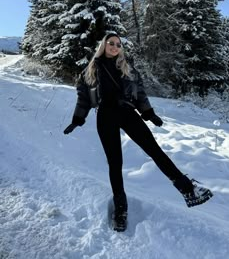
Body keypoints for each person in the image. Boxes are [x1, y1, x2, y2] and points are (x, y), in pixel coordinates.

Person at [64, 33, 213, 232]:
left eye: (118, 44)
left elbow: (140, 92)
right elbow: (83, 98)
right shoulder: (90, 69)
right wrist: (77, 119)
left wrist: (149, 113)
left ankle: (188, 189)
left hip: (127, 112)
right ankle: (120, 209)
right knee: (115, 162)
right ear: (104, 45)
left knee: (154, 150)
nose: (115, 47)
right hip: (105, 116)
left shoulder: (127, 67)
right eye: (111, 43)